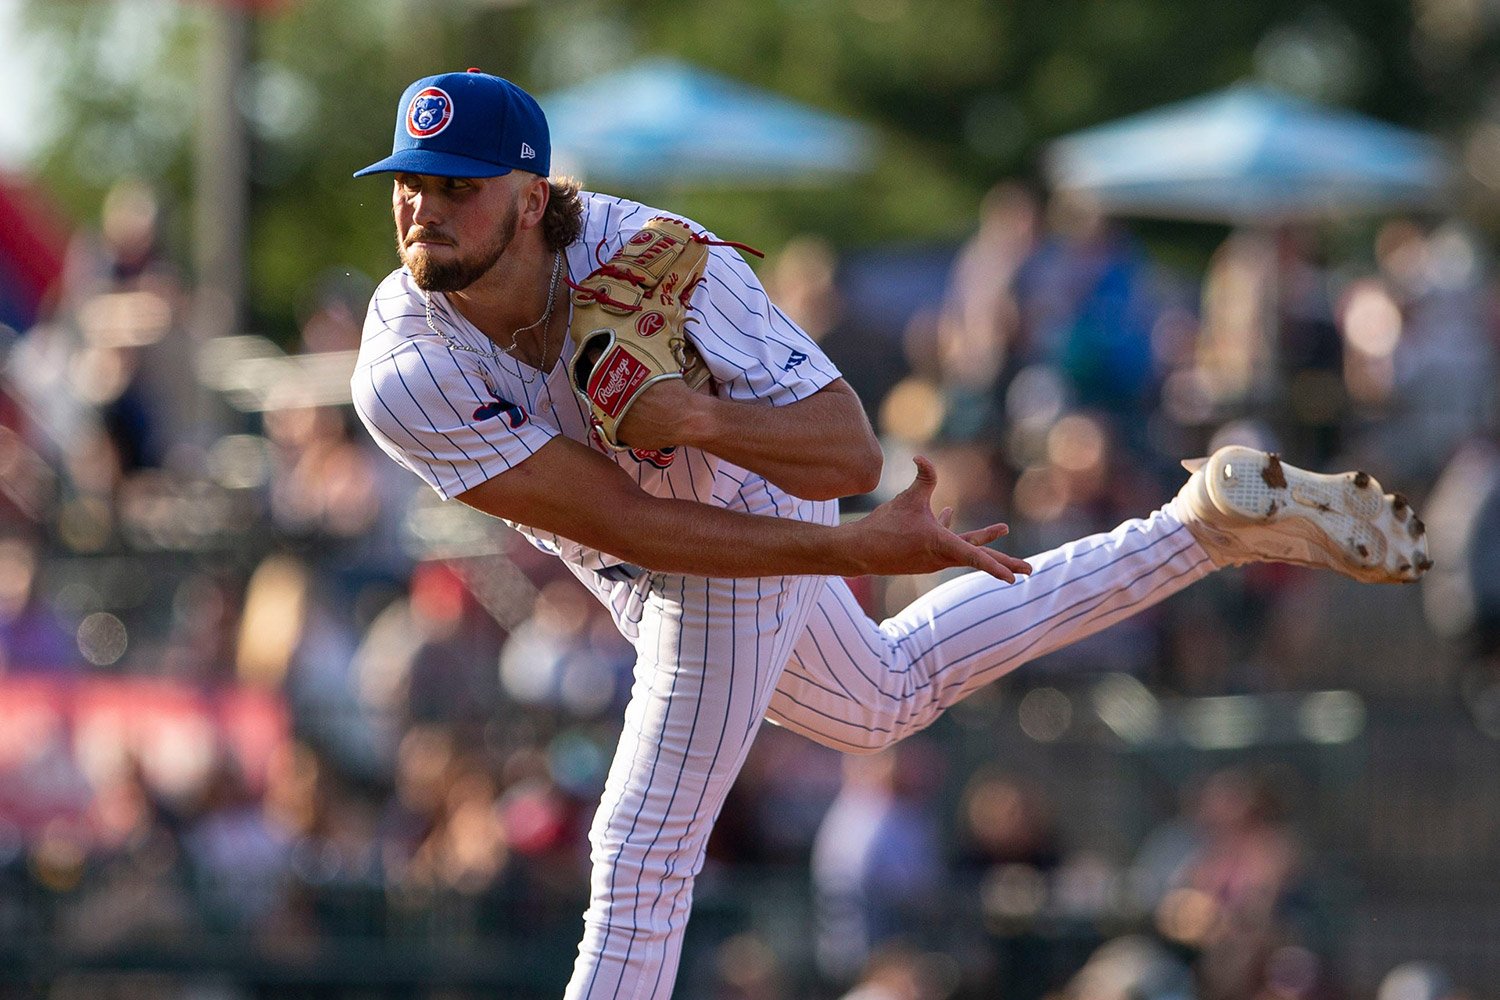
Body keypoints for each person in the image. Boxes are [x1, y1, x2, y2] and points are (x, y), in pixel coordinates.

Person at [349, 70, 1430, 1000]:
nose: (422, 208)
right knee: (881, 699)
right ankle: (1200, 528)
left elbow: (847, 453)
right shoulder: (404, 367)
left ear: (532, 198)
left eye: (458, 185)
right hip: (650, 549)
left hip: (748, 497)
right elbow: (631, 523)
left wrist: (703, 419)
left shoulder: (652, 256)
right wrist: (856, 551)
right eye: (409, 180)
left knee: (640, 852)